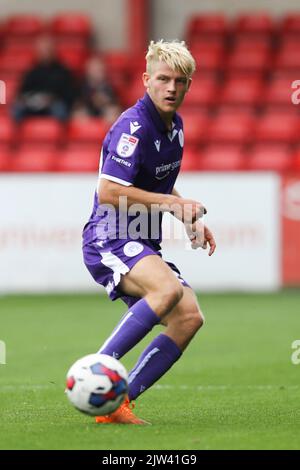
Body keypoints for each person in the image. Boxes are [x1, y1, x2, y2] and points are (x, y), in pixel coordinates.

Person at [82, 39, 216, 424]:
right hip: (109, 236)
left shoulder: (176, 128)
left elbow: (159, 190)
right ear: (146, 80)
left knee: (189, 317)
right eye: (163, 79)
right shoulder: (132, 126)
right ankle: (96, 370)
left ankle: (119, 402)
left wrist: (188, 217)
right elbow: (108, 191)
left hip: (141, 238)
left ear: (189, 85)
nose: (172, 88)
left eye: (180, 80)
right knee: (167, 289)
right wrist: (174, 205)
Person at [12, 35, 75, 121]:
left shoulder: (63, 71)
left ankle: (60, 134)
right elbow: (23, 92)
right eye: (42, 50)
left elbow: (69, 95)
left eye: (47, 50)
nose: (44, 53)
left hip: (53, 105)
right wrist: (29, 99)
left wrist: (52, 99)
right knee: (17, 109)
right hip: (34, 105)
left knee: (60, 109)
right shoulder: (32, 71)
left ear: (53, 51)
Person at [72, 56, 121, 121]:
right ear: (87, 71)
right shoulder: (80, 86)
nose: (98, 72)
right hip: (87, 113)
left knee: (112, 113)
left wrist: (106, 102)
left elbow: (116, 104)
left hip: (105, 115)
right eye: (95, 69)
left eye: (100, 69)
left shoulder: (110, 87)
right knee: (79, 114)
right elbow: (76, 104)